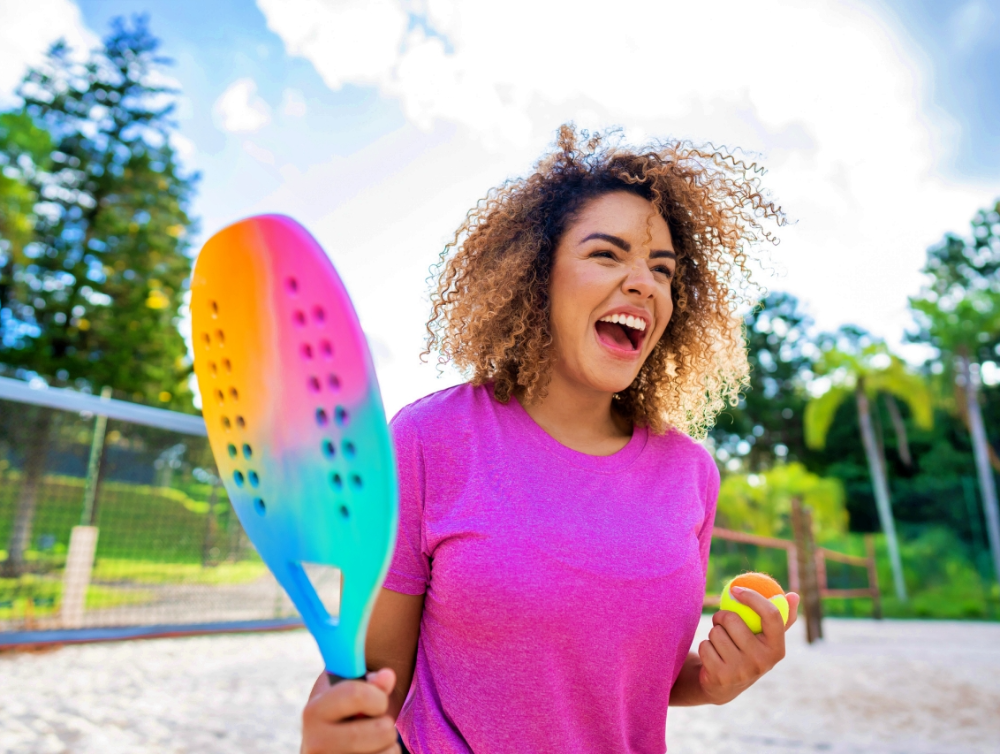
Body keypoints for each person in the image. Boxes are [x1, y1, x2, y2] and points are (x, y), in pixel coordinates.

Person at [300, 125, 797, 754]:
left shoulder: (691, 473)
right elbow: (372, 690)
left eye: (663, 270)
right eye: (607, 254)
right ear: (537, 277)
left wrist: (720, 677)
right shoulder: (429, 441)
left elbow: (637, 676)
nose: (644, 282)